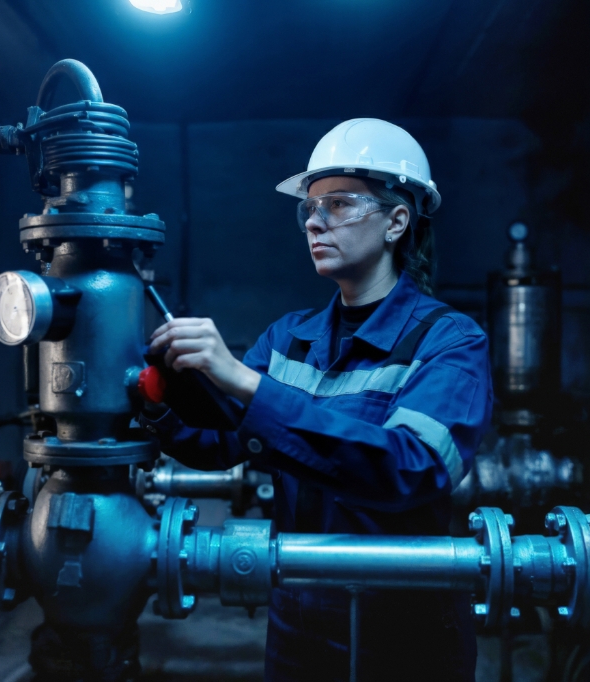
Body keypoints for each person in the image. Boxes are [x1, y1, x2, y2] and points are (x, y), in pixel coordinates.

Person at [141, 119, 493, 681]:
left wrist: (246, 382)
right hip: (299, 618)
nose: (313, 220)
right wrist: (155, 393)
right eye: (309, 206)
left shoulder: (450, 342)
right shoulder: (290, 337)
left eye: (340, 204)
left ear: (397, 221)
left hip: (405, 629)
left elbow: (409, 467)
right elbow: (216, 442)